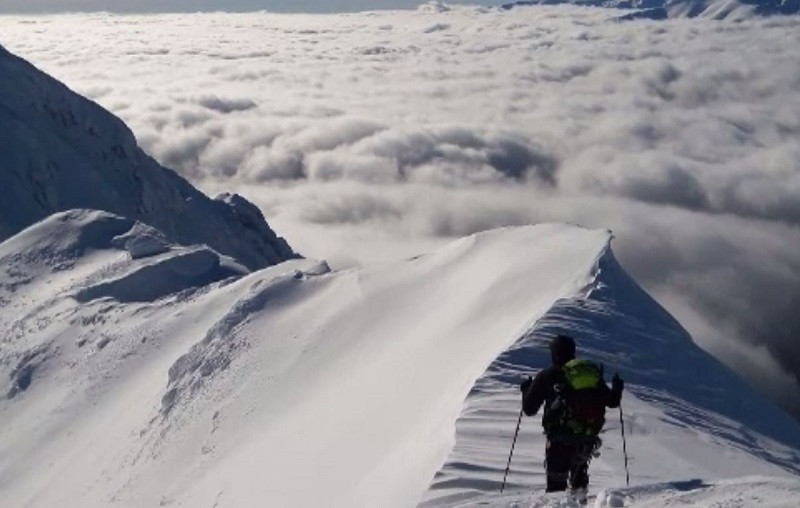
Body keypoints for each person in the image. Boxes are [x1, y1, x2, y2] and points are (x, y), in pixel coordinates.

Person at [520, 334, 624, 501]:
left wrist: (526, 390)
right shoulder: (588, 375)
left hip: (559, 440)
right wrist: (617, 388)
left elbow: (529, 409)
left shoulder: (546, 376)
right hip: (586, 438)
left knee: (556, 491)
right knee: (579, 485)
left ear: (554, 353)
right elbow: (612, 402)